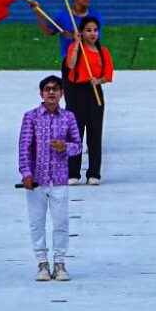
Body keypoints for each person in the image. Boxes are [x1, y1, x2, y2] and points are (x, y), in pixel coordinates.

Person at [18, 75, 82, 282]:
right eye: (47, 89)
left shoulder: (69, 117)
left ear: (62, 93)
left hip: (60, 179)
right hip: (37, 181)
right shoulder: (31, 117)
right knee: (37, 223)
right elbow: (24, 147)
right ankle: (42, 263)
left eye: (55, 89)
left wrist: (66, 147)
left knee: (61, 222)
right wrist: (26, 173)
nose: (51, 92)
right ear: (41, 94)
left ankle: (60, 263)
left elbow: (78, 145)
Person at [64, 17, 113, 185]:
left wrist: (98, 81)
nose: (93, 33)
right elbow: (71, 65)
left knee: (94, 133)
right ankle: (73, 173)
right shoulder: (75, 48)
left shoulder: (103, 51)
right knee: (75, 133)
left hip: (94, 93)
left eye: (95, 30)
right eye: (88, 30)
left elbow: (108, 75)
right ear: (82, 33)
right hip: (77, 93)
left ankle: (94, 173)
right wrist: (77, 44)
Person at [29, 0, 101, 77]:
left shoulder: (94, 16)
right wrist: (39, 14)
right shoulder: (63, 15)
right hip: (69, 62)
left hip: (89, 62)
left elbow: (94, 39)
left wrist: (71, 36)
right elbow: (48, 32)